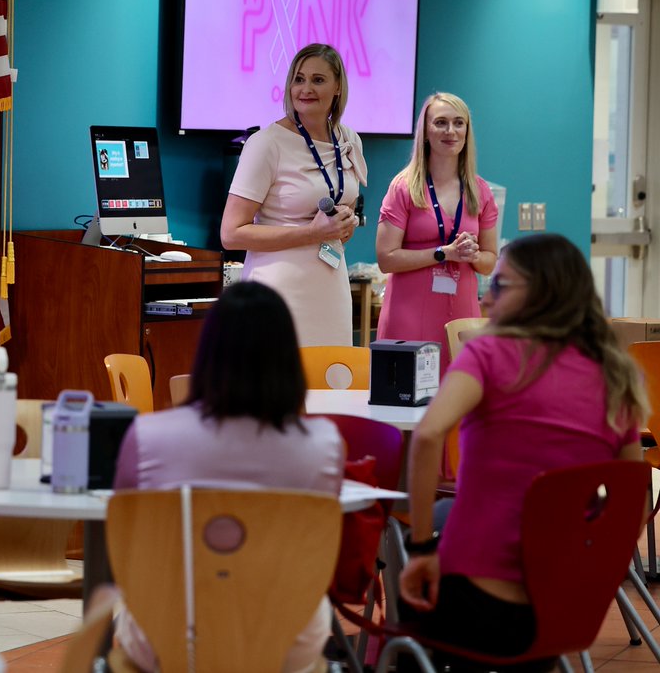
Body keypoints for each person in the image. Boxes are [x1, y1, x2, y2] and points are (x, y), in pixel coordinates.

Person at [399, 233, 646, 663]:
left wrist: (421, 550)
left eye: (499, 285)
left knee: (414, 591)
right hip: (561, 609)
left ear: (542, 292)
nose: (486, 299)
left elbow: (428, 435)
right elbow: (634, 497)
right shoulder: (614, 374)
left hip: (474, 604)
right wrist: (591, 567)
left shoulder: (487, 354)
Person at [114, 281, 344, 673]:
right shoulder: (323, 444)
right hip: (286, 641)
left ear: (207, 351)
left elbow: (125, 539)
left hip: (168, 637)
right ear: (288, 357)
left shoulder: (148, 435)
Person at [221, 43, 366, 346]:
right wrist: (311, 233)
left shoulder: (349, 139)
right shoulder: (267, 143)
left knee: (333, 374)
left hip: (331, 291)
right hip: (277, 295)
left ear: (338, 87)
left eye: (318, 80)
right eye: (299, 79)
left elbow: (345, 205)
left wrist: (344, 224)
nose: (305, 89)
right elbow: (231, 234)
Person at [376, 92, 498, 371]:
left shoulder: (480, 191)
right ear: (426, 132)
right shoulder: (403, 187)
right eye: (440, 122)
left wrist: (473, 255)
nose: (450, 131)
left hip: (462, 318)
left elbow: (489, 261)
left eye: (458, 123)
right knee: (407, 393)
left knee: (461, 393)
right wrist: (443, 253)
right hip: (407, 317)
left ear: (467, 132)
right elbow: (386, 258)